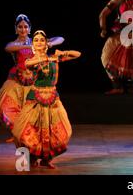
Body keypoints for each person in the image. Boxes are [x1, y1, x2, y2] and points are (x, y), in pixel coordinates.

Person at [12, 30, 80, 169]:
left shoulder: (54, 57)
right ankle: (31, 158)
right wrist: (48, 58)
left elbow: (77, 54)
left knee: (60, 130)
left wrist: (62, 53)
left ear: (46, 44)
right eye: (35, 40)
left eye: (41, 40)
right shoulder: (31, 60)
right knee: (27, 130)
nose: (38, 42)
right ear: (33, 44)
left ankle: (46, 158)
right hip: (35, 98)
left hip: (53, 98)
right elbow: (30, 64)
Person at [0, 14, 64, 142]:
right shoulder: (15, 44)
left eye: (25, 27)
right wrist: (28, 46)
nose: (23, 29)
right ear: (16, 29)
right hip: (16, 79)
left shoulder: (36, 41)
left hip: (34, 79)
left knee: (32, 109)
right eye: (20, 27)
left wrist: (47, 42)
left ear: (30, 29)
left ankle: (29, 133)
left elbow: (61, 39)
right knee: (4, 106)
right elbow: (8, 48)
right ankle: (15, 132)